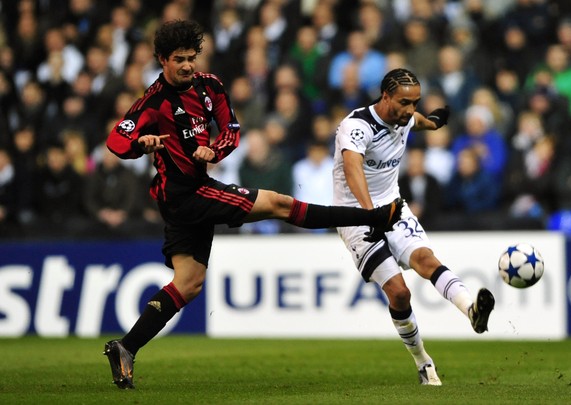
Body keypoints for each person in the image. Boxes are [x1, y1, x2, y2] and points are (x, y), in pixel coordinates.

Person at [103, 20, 403, 390]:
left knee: (189, 283)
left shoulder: (210, 86)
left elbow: (231, 130)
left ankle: (125, 347)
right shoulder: (154, 101)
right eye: (179, 59)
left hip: (195, 190)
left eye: (191, 57)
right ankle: (370, 216)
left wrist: (214, 150)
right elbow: (117, 141)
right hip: (184, 195)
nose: (187, 65)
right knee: (279, 204)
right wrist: (141, 144)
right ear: (162, 60)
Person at [332, 68, 495, 386]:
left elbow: (417, 121)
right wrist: (370, 214)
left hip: (393, 207)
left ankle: (472, 311)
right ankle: (423, 361)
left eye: (415, 102)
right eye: (405, 102)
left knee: (426, 259)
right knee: (400, 292)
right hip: (356, 215)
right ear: (385, 97)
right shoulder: (356, 126)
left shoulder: (405, 117)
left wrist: (433, 122)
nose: (410, 109)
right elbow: (353, 170)